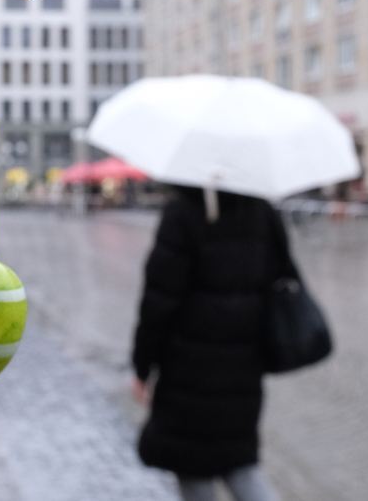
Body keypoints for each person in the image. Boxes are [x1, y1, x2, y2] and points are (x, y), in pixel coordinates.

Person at [131, 186, 287, 501]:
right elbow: (281, 279)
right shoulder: (261, 211)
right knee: (240, 466)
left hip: (188, 373)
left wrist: (142, 366)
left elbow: (158, 303)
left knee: (196, 471)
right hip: (244, 368)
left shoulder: (183, 212)